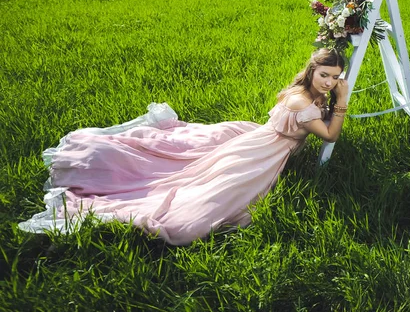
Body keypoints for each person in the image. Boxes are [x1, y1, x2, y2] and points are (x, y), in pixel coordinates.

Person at [18, 48, 349, 245]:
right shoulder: (304, 108)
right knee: (206, 199)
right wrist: (342, 101)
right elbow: (330, 136)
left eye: (335, 78)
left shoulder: (300, 92)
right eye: (324, 74)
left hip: (259, 135)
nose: (329, 82)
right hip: (265, 151)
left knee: (193, 152)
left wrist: (327, 94)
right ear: (312, 70)